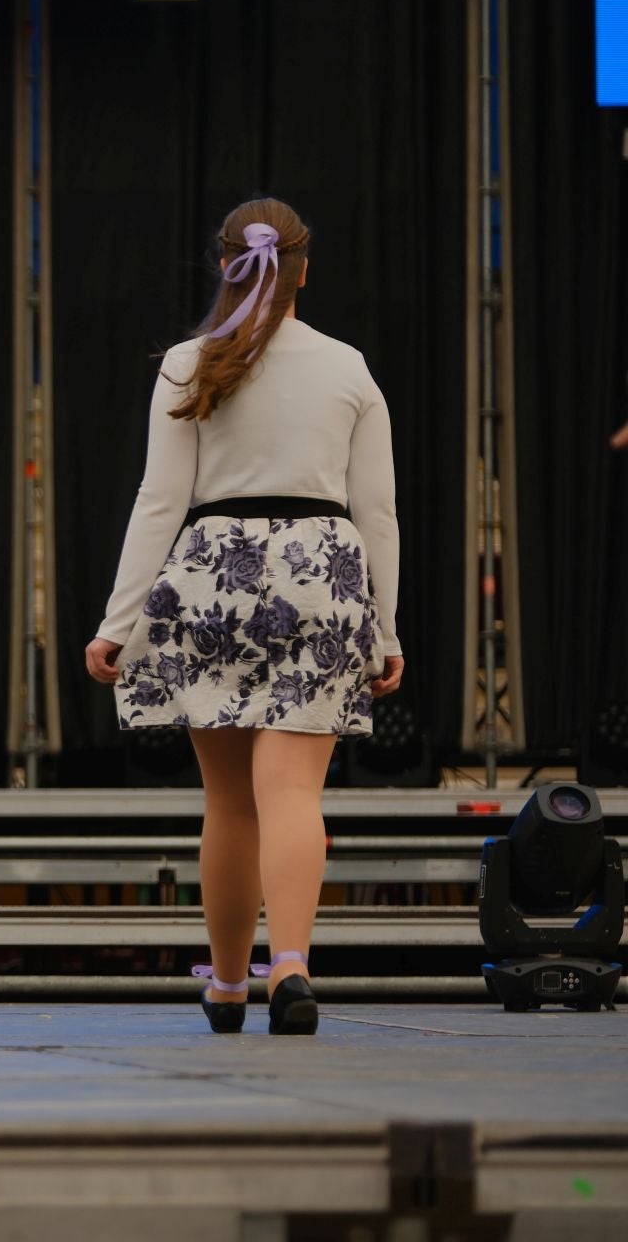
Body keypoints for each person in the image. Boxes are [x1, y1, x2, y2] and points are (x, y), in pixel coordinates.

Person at [83, 197, 404, 1036]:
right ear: (306, 271)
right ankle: (290, 965)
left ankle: (228, 984)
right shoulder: (348, 367)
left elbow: (159, 502)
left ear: (223, 265)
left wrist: (117, 624)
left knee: (229, 804)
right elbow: (379, 515)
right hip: (321, 573)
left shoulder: (191, 363)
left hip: (212, 578)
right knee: (294, 790)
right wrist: (386, 629)